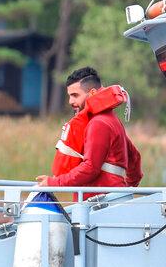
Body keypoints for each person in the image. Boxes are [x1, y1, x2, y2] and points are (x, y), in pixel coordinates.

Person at [36, 67, 141, 198]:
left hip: (100, 204)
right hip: (112, 200)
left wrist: (54, 183)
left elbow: (90, 168)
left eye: (75, 95)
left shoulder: (98, 123)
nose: (70, 101)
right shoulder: (112, 120)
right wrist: (125, 191)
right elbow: (135, 158)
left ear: (92, 93)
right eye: (69, 96)